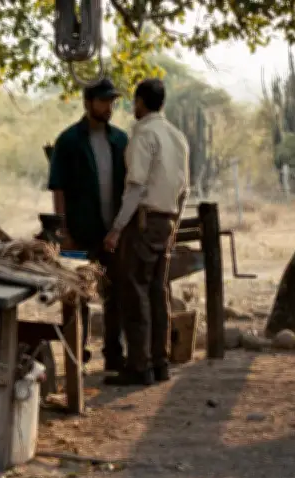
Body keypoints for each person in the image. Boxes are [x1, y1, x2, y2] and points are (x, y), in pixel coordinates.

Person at [103, 78, 190, 386]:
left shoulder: (143, 134)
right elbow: (184, 188)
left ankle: (139, 365)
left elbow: (136, 185)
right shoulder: (177, 136)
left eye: (134, 102)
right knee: (158, 291)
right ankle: (159, 361)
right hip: (166, 220)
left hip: (143, 220)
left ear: (140, 102)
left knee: (135, 291)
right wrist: (174, 225)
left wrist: (117, 228)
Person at [47, 78, 129, 374]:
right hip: (80, 234)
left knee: (115, 294)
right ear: (88, 103)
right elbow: (58, 189)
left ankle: (113, 354)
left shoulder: (120, 140)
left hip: (113, 234)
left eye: (112, 102)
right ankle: (76, 354)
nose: (109, 107)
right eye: (103, 101)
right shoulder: (68, 141)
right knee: (77, 295)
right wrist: (64, 231)